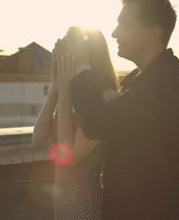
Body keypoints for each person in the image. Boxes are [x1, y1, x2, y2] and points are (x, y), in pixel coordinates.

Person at [70, 0, 179, 219]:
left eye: (124, 24)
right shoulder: (143, 79)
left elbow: (97, 123)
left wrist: (81, 67)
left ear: (153, 32)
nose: (115, 33)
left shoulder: (168, 80)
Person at [31, 26, 118, 220]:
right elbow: (37, 140)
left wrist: (64, 94)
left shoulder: (105, 98)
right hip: (62, 206)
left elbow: (67, 157)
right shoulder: (70, 96)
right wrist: (56, 85)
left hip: (84, 206)